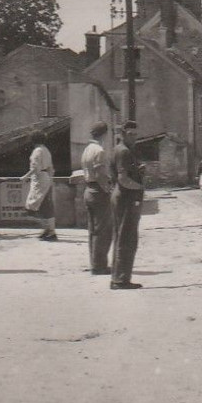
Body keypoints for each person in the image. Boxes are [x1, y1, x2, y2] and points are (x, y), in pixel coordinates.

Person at [110, 122, 147, 290]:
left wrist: (139, 169)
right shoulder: (124, 151)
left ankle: (118, 278)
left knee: (122, 237)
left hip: (123, 196)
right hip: (127, 197)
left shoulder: (121, 149)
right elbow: (123, 179)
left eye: (136, 134)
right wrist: (140, 187)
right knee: (127, 238)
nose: (134, 137)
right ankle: (121, 280)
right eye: (131, 134)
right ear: (123, 134)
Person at [81, 122, 113, 276]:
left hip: (88, 190)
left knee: (93, 230)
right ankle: (100, 266)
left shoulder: (87, 149)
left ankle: (95, 263)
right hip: (99, 191)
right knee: (103, 230)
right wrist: (108, 189)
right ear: (104, 134)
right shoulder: (99, 150)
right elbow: (100, 173)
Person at [24, 128, 57, 241]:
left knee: (32, 207)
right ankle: (48, 230)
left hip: (40, 179)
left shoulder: (37, 151)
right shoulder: (46, 150)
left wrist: (25, 176)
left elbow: (35, 168)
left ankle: (50, 231)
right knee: (44, 206)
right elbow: (51, 167)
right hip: (46, 178)